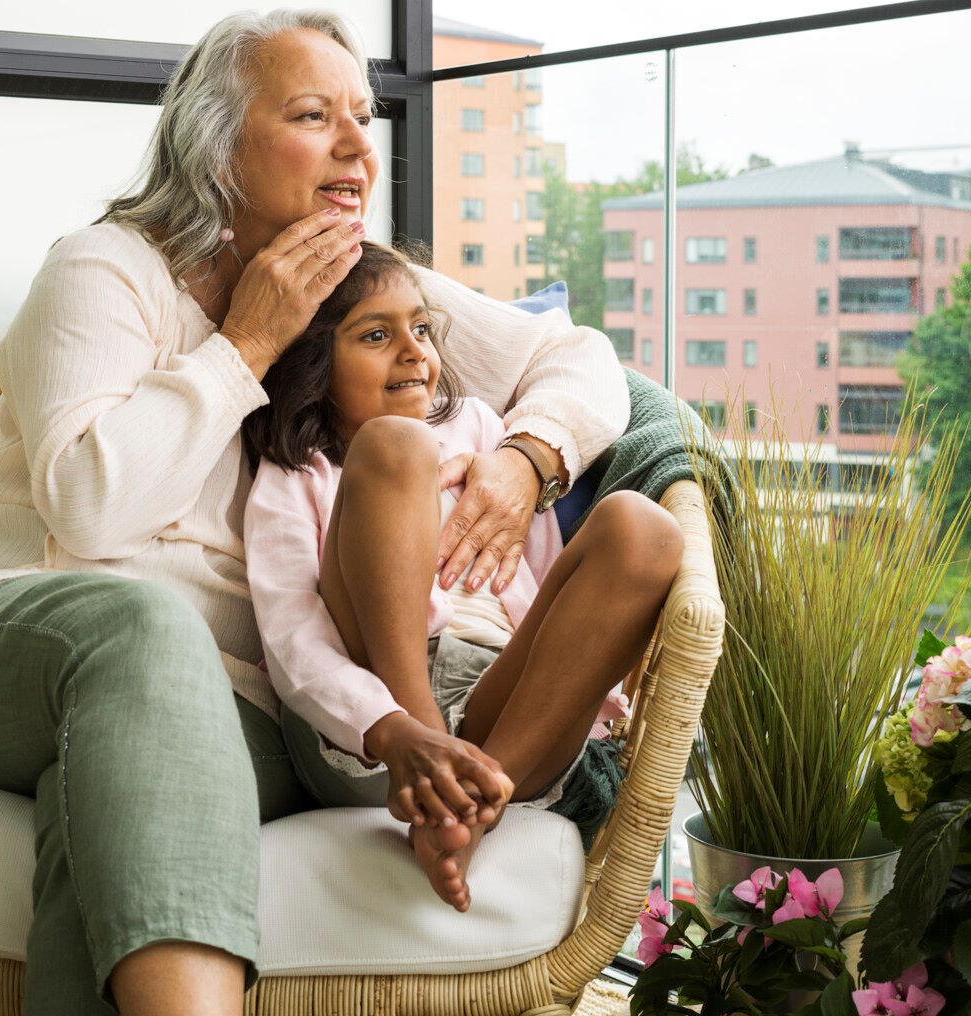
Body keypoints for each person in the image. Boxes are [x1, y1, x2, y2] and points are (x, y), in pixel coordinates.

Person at [0, 8, 629, 1016]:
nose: (357, 145)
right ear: (217, 151)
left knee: (111, 804)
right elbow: (90, 509)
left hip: (214, 704)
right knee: (143, 629)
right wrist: (245, 345)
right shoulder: (106, 270)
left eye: (363, 117)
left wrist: (530, 457)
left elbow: (581, 362)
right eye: (313, 116)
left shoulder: (358, 285)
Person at [242, 242, 681, 912]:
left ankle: (466, 813)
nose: (414, 352)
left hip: (504, 712)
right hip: (378, 723)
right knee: (395, 444)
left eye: (421, 329)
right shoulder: (297, 471)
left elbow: (537, 586)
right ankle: (433, 770)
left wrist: (586, 693)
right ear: (316, 362)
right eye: (376, 335)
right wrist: (398, 728)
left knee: (645, 530)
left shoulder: (482, 429)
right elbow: (292, 639)